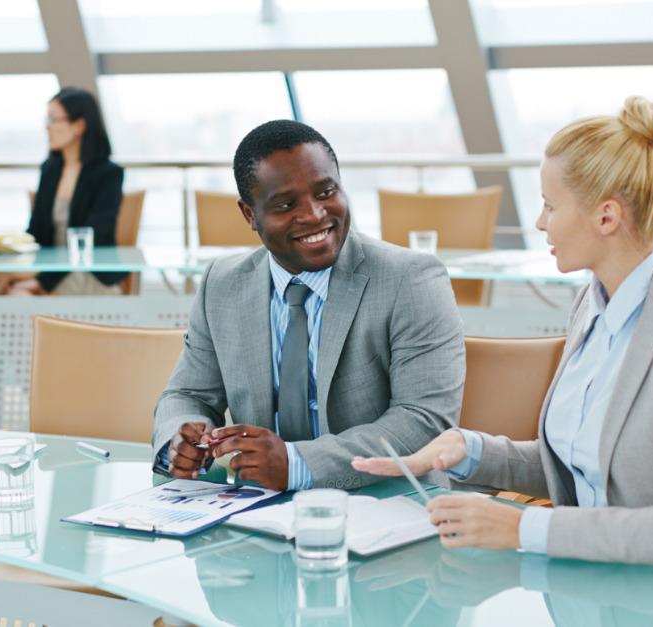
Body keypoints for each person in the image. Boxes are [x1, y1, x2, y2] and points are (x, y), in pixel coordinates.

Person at [355, 97, 653, 567]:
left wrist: (519, 527)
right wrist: (467, 449)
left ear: (606, 217)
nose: (539, 222)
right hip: (599, 584)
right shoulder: (591, 303)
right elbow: (586, 467)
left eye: (550, 206)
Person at [153, 119, 465, 492]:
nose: (315, 215)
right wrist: (180, 438)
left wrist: (297, 465)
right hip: (257, 510)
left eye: (325, 192)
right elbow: (187, 394)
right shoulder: (222, 284)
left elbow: (425, 421)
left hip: (387, 503)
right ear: (250, 215)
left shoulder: (410, 279)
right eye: (286, 204)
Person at [0, 86, 125, 296]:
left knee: (17, 294)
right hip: (50, 268)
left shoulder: (108, 174)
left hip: (86, 271)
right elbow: (36, 231)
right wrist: (10, 249)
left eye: (53, 120)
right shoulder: (50, 169)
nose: (47, 127)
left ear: (79, 125)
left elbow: (95, 236)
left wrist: (43, 282)